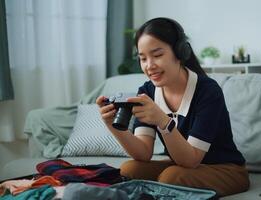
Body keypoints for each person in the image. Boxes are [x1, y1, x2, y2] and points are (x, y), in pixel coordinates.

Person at [96, 17, 249, 196]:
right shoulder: (147, 92)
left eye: (158, 55)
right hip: (182, 166)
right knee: (129, 169)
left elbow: (191, 160)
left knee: (171, 177)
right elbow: (143, 154)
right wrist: (112, 125)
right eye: (143, 58)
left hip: (225, 170)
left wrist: (163, 121)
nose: (149, 66)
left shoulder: (207, 91)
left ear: (180, 52)